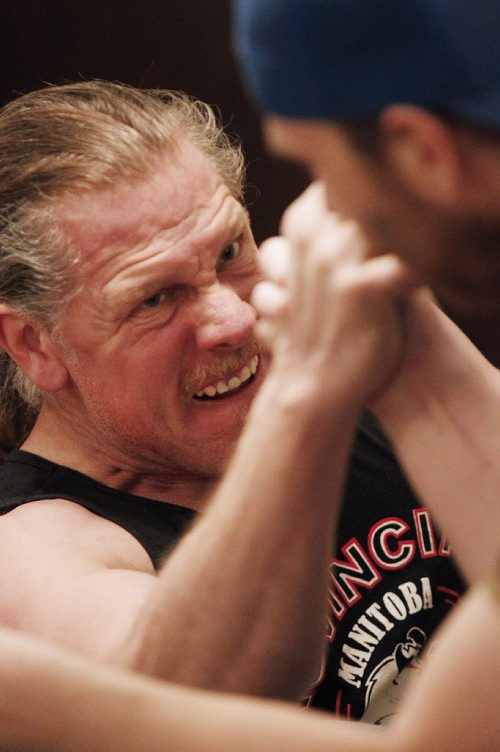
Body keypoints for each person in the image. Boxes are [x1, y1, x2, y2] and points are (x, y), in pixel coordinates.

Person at [0, 78, 462, 723]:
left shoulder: (346, 362)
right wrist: (306, 402)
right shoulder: (29, 549)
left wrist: (406, 295)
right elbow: (180, 705)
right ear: (34, 344)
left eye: (228, 251)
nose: (232, 320)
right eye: (155, 298)